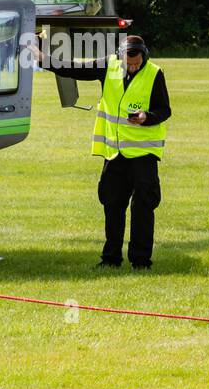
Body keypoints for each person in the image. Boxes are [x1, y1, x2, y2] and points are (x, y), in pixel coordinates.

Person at [36, 34, 170, 269]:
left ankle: (141, 261)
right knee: (112, 204)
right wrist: (42, 60)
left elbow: (164, 110)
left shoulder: (154, 73)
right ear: (121, 57)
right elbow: (73, 68)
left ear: (144, 56)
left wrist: (146, 117)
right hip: (115, 153)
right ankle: (111, 258)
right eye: (129, 64)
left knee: (143, 207)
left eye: (137, 63)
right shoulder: (108, 65)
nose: (133, 67)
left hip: (143, 155)